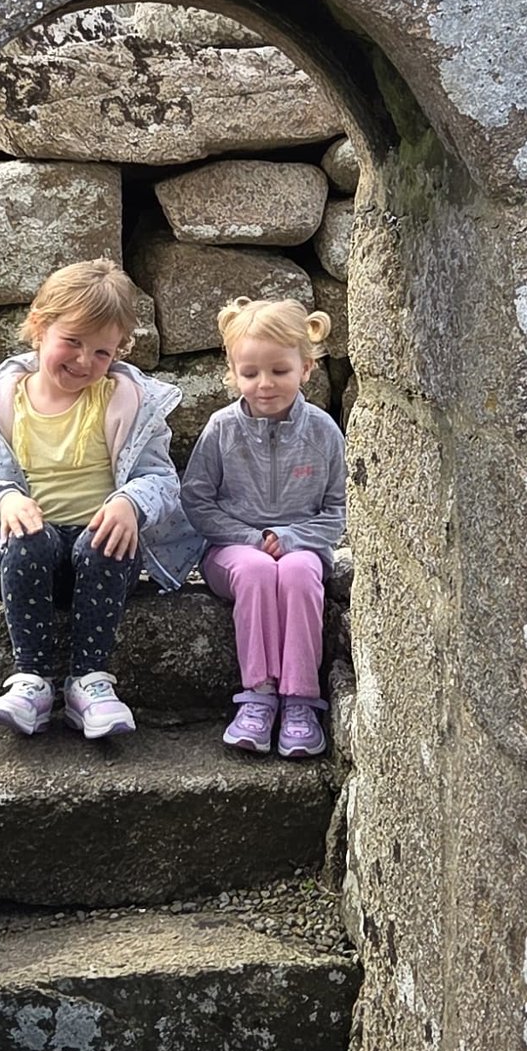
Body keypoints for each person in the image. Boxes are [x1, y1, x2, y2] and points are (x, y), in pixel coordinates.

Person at [0, 257, 203, 743]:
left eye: (102, 352)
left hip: (103, 556)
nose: (85, 361)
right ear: (39, 328)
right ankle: (33, 680)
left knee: (101, 544)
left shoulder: (125, 402)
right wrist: (3, 500)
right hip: (30, 559)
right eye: (72, 342)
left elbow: (162, 479)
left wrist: (131, 502)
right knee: (28, 540)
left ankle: (90, 681)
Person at [180, 294, 347, 758]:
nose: (265, 384)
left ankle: (298, 700)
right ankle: (258, 694)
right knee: (256, 570)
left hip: (302, 550)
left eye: (279, 371)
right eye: (250, 373)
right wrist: (252, 539)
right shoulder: (221, 429)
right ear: (233, 372)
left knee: (295, 572)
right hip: (232, 553)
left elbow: (337, 510)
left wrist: (291, 539)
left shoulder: (322, 433)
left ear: (306, 368)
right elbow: (196, 499)